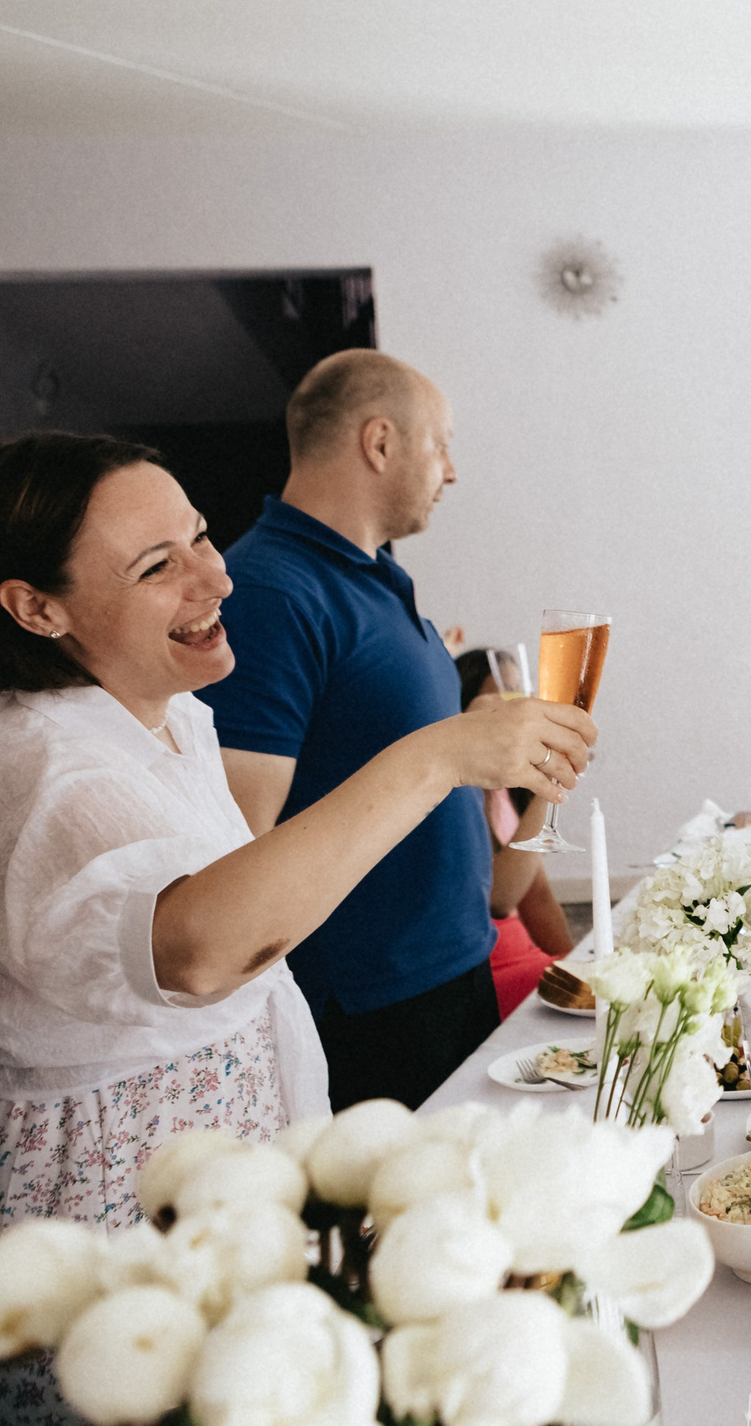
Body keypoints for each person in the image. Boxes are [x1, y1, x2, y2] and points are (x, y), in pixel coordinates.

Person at [0, 433, 588, 1425]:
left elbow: (249, 884)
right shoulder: (47, 774)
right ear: (37, 606)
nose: (215, 576)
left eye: (201, 537)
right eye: (157, 566)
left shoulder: (170, 713)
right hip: (112, 1218)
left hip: (228, 1188)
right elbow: (202, 947)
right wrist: (434, 759)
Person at [199, 349, 516, 1109]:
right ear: (379, 442)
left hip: (449, 971)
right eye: (439, 443)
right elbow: (238, 836)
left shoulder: (368, 576)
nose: (450, 470)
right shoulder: (272, 591)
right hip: (376, 1009)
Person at [455, 648, 577, 1019]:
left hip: (525, 959)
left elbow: (536, 898)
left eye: (521, 688)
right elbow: (501, 897)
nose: (521, 701)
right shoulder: (462, 789)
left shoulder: (502, 794)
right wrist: (551, 786)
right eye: (504, 691)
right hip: (494, 970)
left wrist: (576, 964)